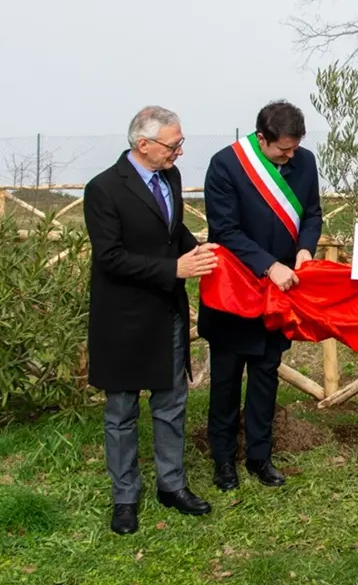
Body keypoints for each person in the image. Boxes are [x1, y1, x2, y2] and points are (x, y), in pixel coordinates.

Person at [84, 106, 217, 535]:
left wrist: (201, 250)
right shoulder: (103, 189)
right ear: (144, 144)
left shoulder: (172, 178)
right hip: (122, 319)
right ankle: (125, 497)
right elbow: (109, 258)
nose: (179, 151)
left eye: (180, 142)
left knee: (171, 404)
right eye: (173, 144)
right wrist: (172, 270)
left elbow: (171, 233)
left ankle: (171, 486)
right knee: (121, 411)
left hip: (167, 314)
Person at [199, 100, 322, 491]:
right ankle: (223, 459)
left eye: (295, 148)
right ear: (261, 137)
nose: (290, 157)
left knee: (267, 374)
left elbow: (313, 214)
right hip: (235, 289)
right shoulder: (226, 165)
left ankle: (259, 456)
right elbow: (226, 230)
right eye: (283, 150)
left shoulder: (305, 162)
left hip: (281, 291)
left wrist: (306, 248)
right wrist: (270, 265)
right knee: (226, 379)